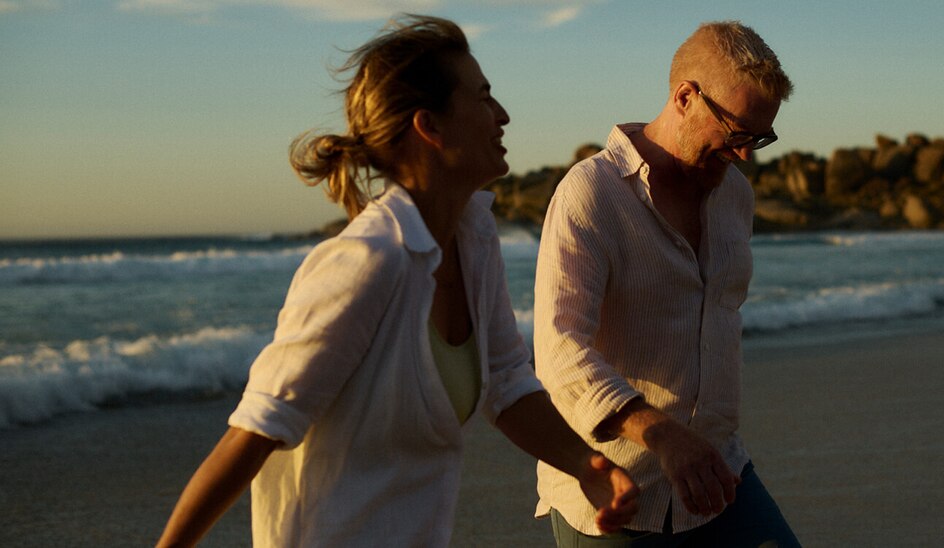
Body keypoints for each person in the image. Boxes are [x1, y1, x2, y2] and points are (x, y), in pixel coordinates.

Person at [157, 15, 638, 548]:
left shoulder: (474, 235)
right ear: (429, 126)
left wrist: (585, 466)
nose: (502, 116)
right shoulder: (367, 262)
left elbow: (506, 382)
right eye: (483, 98)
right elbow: (253, 433)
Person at [532, 20, 800, 546]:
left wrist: (696, 442)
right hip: (615, 493)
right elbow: (560, 353)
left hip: (720, 474)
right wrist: (663, 436)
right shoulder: (591, 194)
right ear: (685, 97)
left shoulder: (734, 196)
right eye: (738, 133)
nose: (747, 155)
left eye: (760, 138)